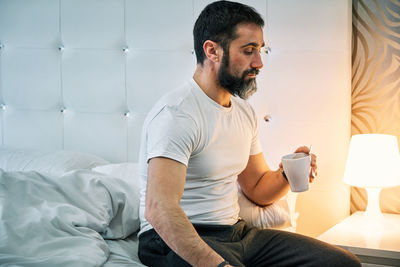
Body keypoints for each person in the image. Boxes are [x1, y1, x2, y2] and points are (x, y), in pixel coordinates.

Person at [137, 1, 361, 266]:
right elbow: (159, 209)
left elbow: (256, 188)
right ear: (212, 51)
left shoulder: (243, 112)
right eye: (249, 51)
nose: (259, 62)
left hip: (236, 233)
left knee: (343, 264)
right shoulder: (177, 115)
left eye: (260, 49)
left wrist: (286, 174)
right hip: (172, 240)